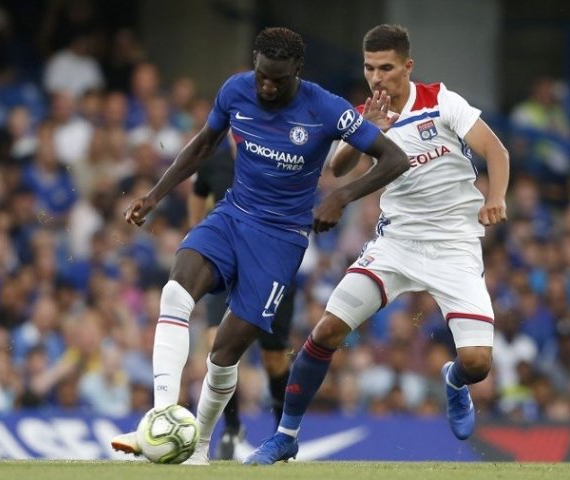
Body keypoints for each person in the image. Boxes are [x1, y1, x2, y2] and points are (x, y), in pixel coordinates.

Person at [110, 27, 408, 465]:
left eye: (278, 80)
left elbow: (394, 158)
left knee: (223, 353)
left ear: (297, 72)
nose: (267, 87)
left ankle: (201, 445)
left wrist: (341, 196)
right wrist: (155, 194)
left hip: (280, 242)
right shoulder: (235, 90)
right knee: (175, 293)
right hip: (232, 216)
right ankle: (161, 413)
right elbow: (203, 144)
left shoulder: (325, 108)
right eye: (262, 76)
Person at [245, 24, 510, 464]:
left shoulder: (441, 101)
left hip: (454, 246)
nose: (376, 77)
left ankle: (455, 381)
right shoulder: (365, 111)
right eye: (369, 67)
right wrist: (365, 128)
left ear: (407, 66)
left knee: (478, 361)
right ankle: (285, 435)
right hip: (396, 242)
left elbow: (496, 151)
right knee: (327, 329)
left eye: (385, 67)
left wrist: (496, 196)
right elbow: (339, 167)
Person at [188, 137, 297, 460]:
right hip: (227, 268)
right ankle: (233, 427)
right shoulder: (213, 162)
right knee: (216, 344)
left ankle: (283, 434)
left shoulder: (280, 162)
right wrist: (201, 236)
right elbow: (197, 193)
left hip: (272, 266)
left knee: (274, 359)